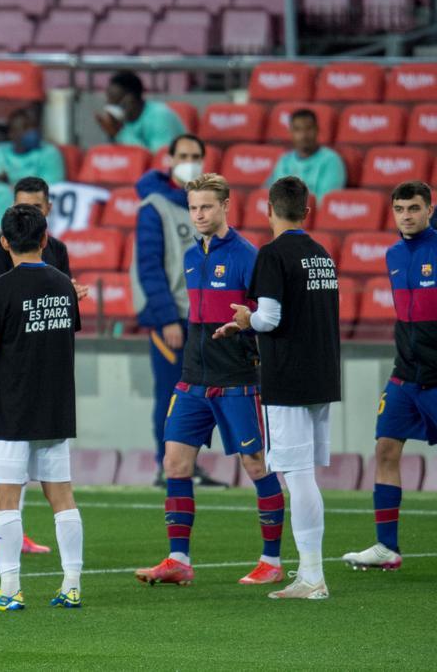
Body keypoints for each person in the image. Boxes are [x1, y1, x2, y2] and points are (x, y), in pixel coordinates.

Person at [133, 174, 286, 588]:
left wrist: (243, 328)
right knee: (174, 463)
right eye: (193, 207)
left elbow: (266, 316)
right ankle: (179, 559)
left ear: (225, 206)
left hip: (237, 379)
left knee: (255, 465)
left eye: (206, 207)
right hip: (192, 380)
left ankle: (271, 560)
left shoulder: (247, 256)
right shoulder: (188, 255)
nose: (198, 215)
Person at [216, 176, 341, 600]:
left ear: (268, 209)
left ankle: (312, 576)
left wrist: (246, 319)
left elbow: (269, 318)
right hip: (323, 374)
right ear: (307, 211)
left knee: (297, 474)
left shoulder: (272, 254)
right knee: (305, 474)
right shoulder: (321, 254)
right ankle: (311, 573)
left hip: (288, 376)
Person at [0, 203, 84, 611]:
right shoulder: (63, 285)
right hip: (55, 406)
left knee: (5, 498)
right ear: (45, 238)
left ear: (4, 243)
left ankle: (10, 587)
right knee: (62, 497)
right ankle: (71, 585)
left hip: (11, 408)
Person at [342, 181, 437, 571]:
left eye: (414, 208)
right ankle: (386, 547)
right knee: (385, 448)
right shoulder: (394, 254)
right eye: (400, 209)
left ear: (430, 209)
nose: (407, 216)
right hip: (405, 374)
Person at [131, 135, 224, 487]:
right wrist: (166, 317)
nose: (190, 161)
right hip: (172, 318)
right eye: (183, 155)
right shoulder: (154, 207)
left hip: (203, 316)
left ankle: (189, 465)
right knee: (171, 393)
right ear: (168, 160)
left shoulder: (207, 204)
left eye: (196, 156)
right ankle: (165, 464)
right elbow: (149, 267)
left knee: (199, 396)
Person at [0, 108, 66, 226]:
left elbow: (50, 189)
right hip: (3, 204)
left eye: (34, 127)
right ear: (12, 134)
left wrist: (11, 184)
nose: (32, 132)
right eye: (25, 128)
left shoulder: (49, 153)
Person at [267, 108, 346, 202]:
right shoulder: (284, 161)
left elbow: (325, 202)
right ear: (290, 132)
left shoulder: (331, 161)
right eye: (297, 130)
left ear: (317, 129)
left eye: (308, 128)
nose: (303, 135)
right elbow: (270, 197)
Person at [96, 71, 186, 153]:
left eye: (113, 100)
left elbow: (158, 158)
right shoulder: (121, 122)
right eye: (108, 100)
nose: (108, 105)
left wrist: (119, 134)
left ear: (130, 99)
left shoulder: (160, 116)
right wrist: (112, 136)